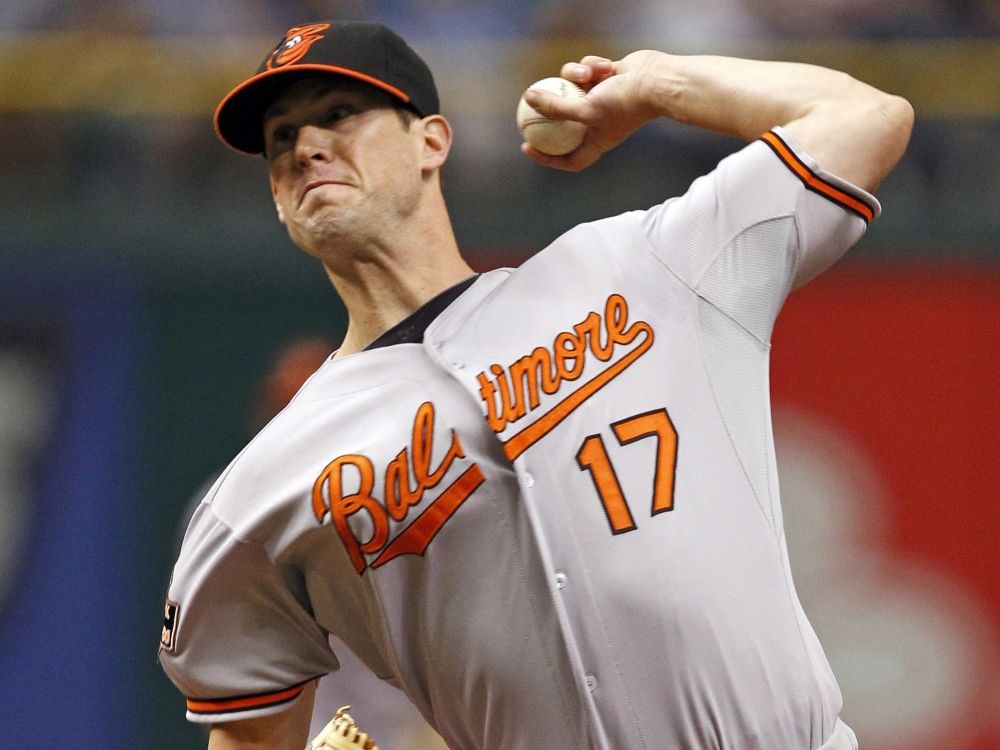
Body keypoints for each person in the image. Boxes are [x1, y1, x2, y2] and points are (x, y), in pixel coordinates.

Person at [158, 19, 912, 750]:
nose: (306, 147)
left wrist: (651, 83)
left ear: (432, 141)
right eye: (280, 139)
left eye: (339, 114)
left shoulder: (643, 268)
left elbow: (865, 117)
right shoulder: (258, 491)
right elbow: (250, 731)